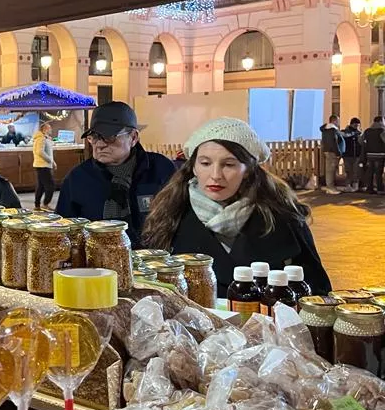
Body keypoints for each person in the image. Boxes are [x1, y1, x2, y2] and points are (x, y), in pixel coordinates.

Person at [142, 117, 331, 297]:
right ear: (193, 167)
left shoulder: (283, 218)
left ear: (248, 170)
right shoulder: (169, 216)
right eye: (205, 163)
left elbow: (317, 289)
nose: (215, 175)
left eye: (229, 165)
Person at [56, 101, 175, 247]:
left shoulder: (162, 170)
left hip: (154, 264)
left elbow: (182, 220)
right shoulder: (77, 179)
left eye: (110, 136)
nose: (99, 145)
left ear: (133, 138)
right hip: (97, 266)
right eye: (94, 137)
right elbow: (64, 233)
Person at [32, 120, 55, 210]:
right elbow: (40, 151)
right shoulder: (41, 138)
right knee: (50, 185)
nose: (51, 130)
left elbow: (48, 151)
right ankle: (45, 204)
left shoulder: (44, 138)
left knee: (41, 186)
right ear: (44, 129)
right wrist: (50, 160)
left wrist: (53, 162)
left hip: (43, 165)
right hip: (43, 165)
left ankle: (37, 205)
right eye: (49, 128)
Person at [320, 114, 344, 194]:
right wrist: (338, 152)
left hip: (327, 151)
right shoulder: (332, 130)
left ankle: (330, 187)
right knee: (331, 170)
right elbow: (334, 142)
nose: (339, 122)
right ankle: (331, 188)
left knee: (329, 169)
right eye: (338, 121)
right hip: (332, 152)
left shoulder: (325, 129)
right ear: (334, 121)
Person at [362, 116, 385, 194]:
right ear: (381, 121)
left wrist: (367, 145)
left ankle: (370, 189)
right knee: (378, 172)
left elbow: (360, 140)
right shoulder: (382, 130)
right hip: (380, 154)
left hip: (369, 155)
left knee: (370, 172)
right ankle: (379, 189)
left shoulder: (367, 131)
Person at [341, 117, 362, 192]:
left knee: (356, 171)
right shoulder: (345, 132)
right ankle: (348, 185)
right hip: (347, 155)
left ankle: (355, 185)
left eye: (358, 125)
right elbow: (345, 136)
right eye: (356, 125)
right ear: (352, 124)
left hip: (356, 155)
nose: (357, 127)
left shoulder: (359, 133)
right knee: (348, 171)